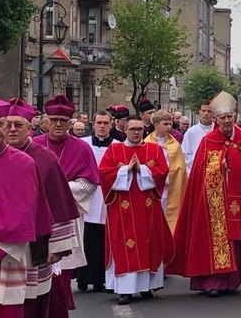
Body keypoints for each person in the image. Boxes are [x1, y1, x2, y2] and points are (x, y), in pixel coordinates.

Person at [167, 91, 241, 297]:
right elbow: (204, 169)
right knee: (211, 239)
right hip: (213, 202)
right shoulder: (208, 141)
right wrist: (222, 165)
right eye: (223, 118)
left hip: (239, 198)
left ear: (234, 117)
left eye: (230, 117)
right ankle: (213, 282)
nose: (227, 121)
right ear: (216, 119)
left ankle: (230, 282)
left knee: (235, 238)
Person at [6, 98, 77, 318]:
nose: (11, 130)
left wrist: (57, 247)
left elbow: (58, 204)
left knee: (32, 301)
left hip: (34, 244)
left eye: (18, 125)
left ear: (30, 127)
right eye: (6, 124)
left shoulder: (45, 159)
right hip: (2, 242)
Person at [32, 95, 100, 318]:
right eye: (53, 119)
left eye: (63, 120)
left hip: (66, 219)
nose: (58, 124)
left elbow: (88, 184)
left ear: (70, 122)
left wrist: (55, 189)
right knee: (34, 277)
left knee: (60, 280)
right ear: (45, 121)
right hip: (35, 221)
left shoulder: (81, 148)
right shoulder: (34, 146)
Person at [99, 115, 174, 305]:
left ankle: (146, 287)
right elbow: (104, 173)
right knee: (125, 245)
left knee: (148, 244)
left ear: (144, 130)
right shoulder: (114, 150)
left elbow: (163, 171)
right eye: (132, 129)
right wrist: (125, 170)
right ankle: (125, 290)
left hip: (148, 207)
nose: (136, 132)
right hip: (121, 209)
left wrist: (143, 170)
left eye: (140, 129)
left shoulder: (154, 149)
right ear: (125, 130)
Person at [0, 94, 53, 318]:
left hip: (7, 256)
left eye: (0, 124)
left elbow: (27, 212)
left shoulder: (24, 164)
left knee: (6, 311)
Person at [76, 110, 115, 293]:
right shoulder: (82, 144)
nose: (102, 126)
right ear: (93, 124)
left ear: (111, 124)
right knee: (85, 237)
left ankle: (100, 278)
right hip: (87, 196)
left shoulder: (117, 146)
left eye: (105, 123)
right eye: (99, 123)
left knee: (101, 240)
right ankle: (82, 278)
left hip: (107, 197)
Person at [145, 110, 188, 234]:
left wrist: (167, 174)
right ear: (156, 125)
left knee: (167, 215)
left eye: (170, 124)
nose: (169, 127)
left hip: (170, 187)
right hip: (152, 187)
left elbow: (180, 168)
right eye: (165, 124)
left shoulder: (175, 145)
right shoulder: (147, 143)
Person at [180, 100, 214, 174]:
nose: (206, 113)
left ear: (213, 113)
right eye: (203, 110)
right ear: (199, 112)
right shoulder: (191, 132)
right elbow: (185, 154)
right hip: (196, 171)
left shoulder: (217, 130)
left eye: (209, 111)